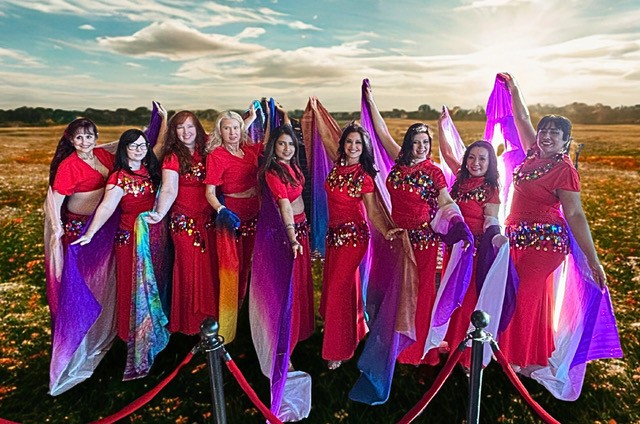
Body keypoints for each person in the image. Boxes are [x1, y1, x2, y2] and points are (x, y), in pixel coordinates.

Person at [497, 72, 607, 369]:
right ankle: (534, 354)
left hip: (545, 245)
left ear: (566, 141)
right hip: (518, 239)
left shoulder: (565, 170)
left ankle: (515, 359)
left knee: (524, 294)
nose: (546, 135)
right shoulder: (533, 153)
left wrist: (593, 260)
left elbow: (575, 214)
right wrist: (514, 89)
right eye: (544, 130)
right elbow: (522, 119)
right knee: (528, 294)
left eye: (554, 133)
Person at [364, 87, 466, 366]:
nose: (421, 147)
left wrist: (457, 222)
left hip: (423, 243)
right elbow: (383, 133)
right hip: (397, 238)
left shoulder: (433, 171)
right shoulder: (399, 162)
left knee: (420, 293)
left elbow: (445, 201)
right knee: (396, 292)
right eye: (417, 142)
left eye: (426, 142)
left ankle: (418, 349)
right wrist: (371, 101)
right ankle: (395, 343)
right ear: (409, 143)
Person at [310, 98, 402, 370]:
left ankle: (338, 349)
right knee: (339, 288)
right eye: (349, 142)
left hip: (353, 239)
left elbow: (373, 212)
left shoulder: (364, 177)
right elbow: (327, 138)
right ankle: (355, 329)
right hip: (333, 238)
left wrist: (387, 230)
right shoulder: (337, 166)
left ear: (364, 148)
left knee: (338, 289)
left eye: (358, 143)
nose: (352, 147)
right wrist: (316, 113)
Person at [250, 117, 315, 420]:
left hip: (300, 232)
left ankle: (292, 337)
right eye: (281, 144)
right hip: (286, 236)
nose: (287, 148)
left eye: (290, 144)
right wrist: (291, 236)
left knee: (297, 287)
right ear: (273, 147)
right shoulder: (273, 172)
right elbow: (285, 205)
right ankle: (281, 349)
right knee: (283, 290)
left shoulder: (293, 168)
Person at [73, 129, 164, 342]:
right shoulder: (119, 177)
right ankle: (132, 335)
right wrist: (91, 233)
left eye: (142, 145)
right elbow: (106, 207)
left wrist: (164, 120)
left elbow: (160, 146)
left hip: (153, 237)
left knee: (154, 283)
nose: (139, 150)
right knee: (132, 286)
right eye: (133, 146)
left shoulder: (151, 170)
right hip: (131, 240)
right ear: (124, 149)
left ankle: (152, 330)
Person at [146, 110, 218, 335]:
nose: (186, 132)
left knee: (208, 270)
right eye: (180, 127)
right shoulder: (172, 157)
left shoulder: (207, 149)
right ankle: (189, 324)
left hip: (208, 222)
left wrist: (250, 119)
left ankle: (211, 320)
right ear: (174, 132)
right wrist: (159, 213)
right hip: (184, 224)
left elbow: (230, 131)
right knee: (188, 269)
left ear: (198, 128)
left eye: (190, 126)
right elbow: (169, 189)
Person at [437, 135, 505, 366]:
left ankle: (467, 357)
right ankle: (451, 343)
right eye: (471, 157)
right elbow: (447, 154)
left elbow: (491, 219)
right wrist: (442, 125)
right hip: (455, 249)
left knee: (467, 298)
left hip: (474, 252)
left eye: (482, 159)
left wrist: (495, 237)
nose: (476, 163)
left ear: (490, 162)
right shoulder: (460, 181)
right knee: (451, 293)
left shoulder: (490, 188)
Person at [204, 105, 261, 342]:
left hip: (255, 214)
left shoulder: (249, 150)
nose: (232, 133)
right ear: (220, 132)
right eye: (226, 129)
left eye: (235, 128)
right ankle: (228, 324)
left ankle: (246, 315)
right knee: (232, 268)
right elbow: (209, 192)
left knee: (249, 265)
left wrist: (252, 118)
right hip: (233, 217)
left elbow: (243, 133)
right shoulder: (216, 156)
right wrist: (222, 210)